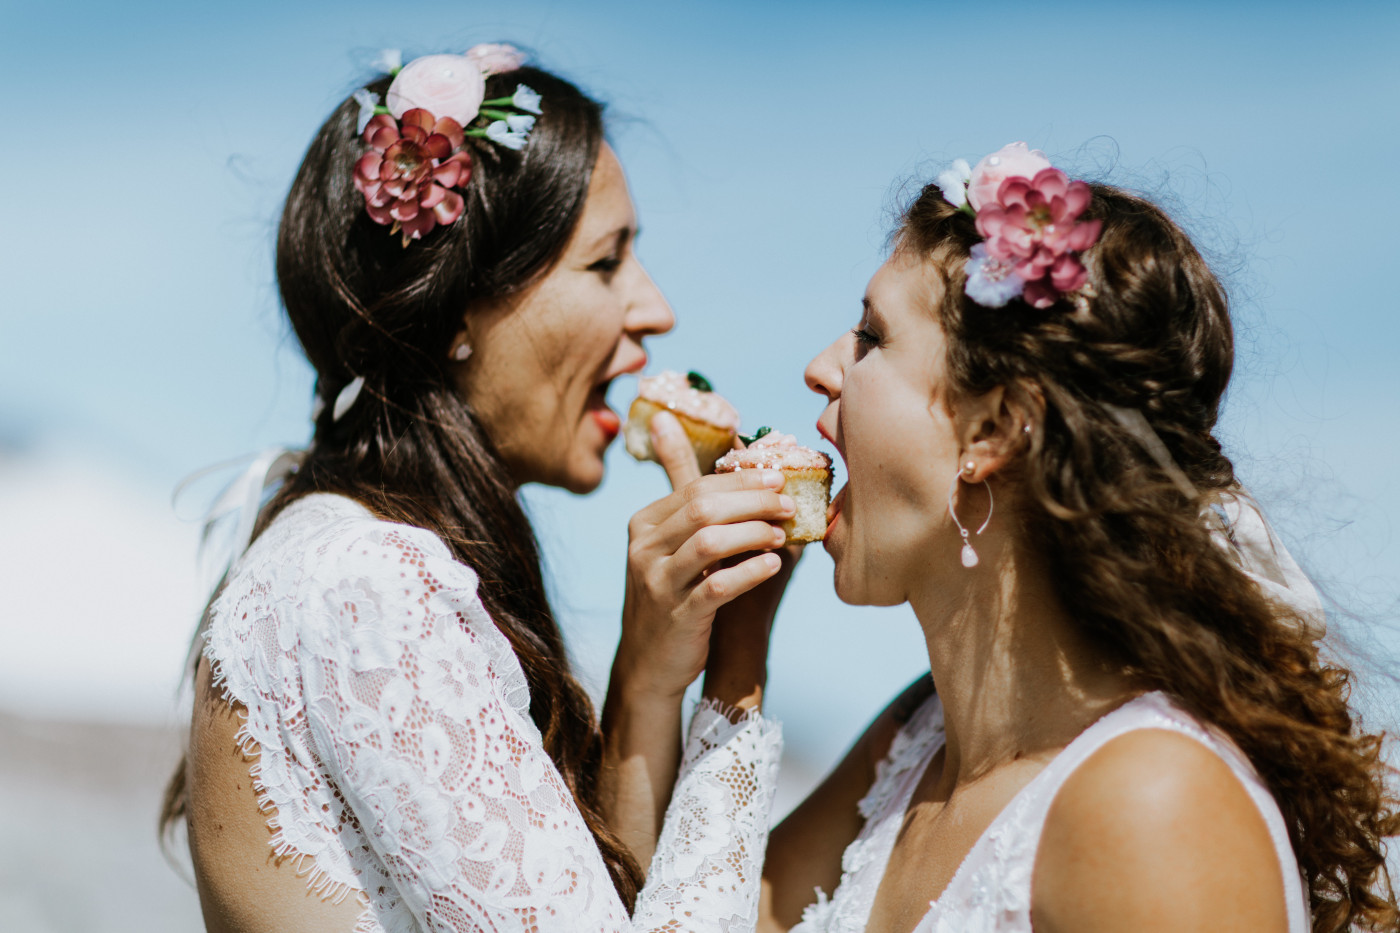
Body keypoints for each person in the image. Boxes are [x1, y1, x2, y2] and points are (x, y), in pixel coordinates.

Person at [160, 44, 801, 933]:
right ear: (459, 311)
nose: (656, 310)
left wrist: (650, 681)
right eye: (606, 263)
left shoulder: (344, 553)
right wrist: (736, 681)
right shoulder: (367, 585)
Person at [756, 144, 1399, 932]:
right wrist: (704, 658)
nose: (822, 368)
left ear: (991, 428)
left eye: (870, 335)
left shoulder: (1153, 802)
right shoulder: (913, 742)